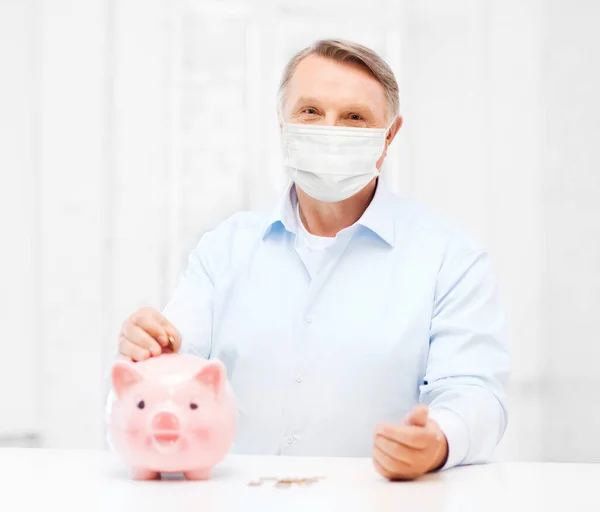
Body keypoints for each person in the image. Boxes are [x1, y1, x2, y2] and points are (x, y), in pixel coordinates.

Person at [115, 39, 509, 481]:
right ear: (283, 124)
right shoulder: (224, 248)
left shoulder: (450, 259)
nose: (330, 130)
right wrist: (149, 353)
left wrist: (438, 441)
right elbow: (172, 372)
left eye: (355, 117)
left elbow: (475, 393)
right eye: (310, 112)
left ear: (389, 136)